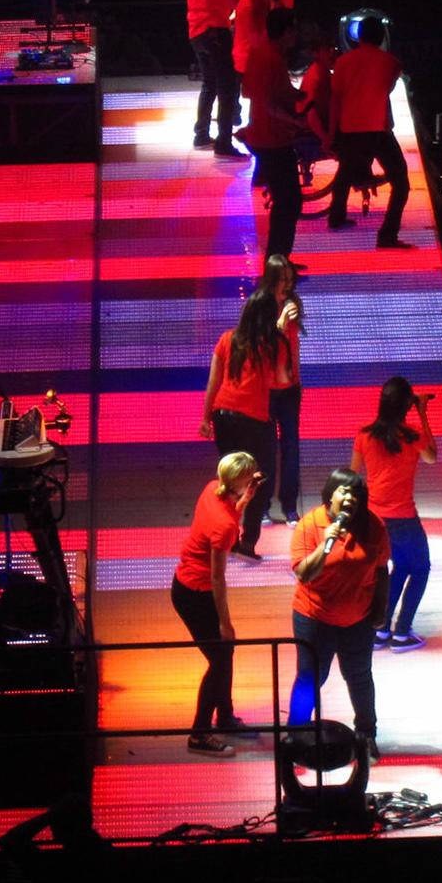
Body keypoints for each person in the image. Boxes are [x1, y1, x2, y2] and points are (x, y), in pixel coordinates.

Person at [288, 468, 389, 758]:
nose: (349, 498)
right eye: (343, 491)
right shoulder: (311, 525)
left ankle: (366, 734)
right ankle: (295, 738)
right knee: (309, 679)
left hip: (358, 620)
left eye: (356, 493)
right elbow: (304, 574)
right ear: (330, 494)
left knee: (359, 676)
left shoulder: (373, 525)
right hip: (314, 618)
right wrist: (326, 543)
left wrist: (380, 610)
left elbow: (382, 570)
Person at [172, 451, 263, 755]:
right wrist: (226, 623)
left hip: (188, 587)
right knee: (220, 661)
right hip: (195, 594)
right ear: (239, 480)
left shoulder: (213, 488)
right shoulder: (224, 526)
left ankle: (224, 717)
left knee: (224, 655)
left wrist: (245, 499)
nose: (254, 477)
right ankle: (199, 735)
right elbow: (217, 579)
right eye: (250, 476)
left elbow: (229, 513)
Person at [200, 288, 292, 559]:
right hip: (254, 420)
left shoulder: (228, 339)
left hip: (223, 417)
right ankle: (247, 542)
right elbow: (282, 381)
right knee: (257, 480)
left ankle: (219, 535)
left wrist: (206, 417)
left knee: (229, 480)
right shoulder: (273, 344)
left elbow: (213, 381)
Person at [350, 376, 437, 650]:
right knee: (420, 568)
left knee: (398, 567)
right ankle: (401, 632)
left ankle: (382, 630)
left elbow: (353, 477)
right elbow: (432, 456)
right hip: (403, 518)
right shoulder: (413, 436)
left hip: (375, 518)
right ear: (406, 405)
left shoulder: (364, 434)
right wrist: (422, 413)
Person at [326, 15, 413, 247]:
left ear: (358, 36)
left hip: (350, 128)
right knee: (401, 183)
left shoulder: (343, 62)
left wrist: (330, 133)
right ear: (381, 36)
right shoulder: (392, 63)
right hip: (378, 129)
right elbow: (387, 88)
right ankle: (387, 235)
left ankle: (336, 218)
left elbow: (336, 99)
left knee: (344, 174)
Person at [240, 6, 305, 260]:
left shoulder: (260, 53)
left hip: (262, 135)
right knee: (289, 203)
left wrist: (294, 95)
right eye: (294, 29)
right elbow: (268, 102)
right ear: (288, 31)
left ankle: (278, 260)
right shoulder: (272, 58)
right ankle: (277, 263)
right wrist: (295, 119)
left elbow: (248, 91)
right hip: (273, 139)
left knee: (285, 202)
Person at [183, 0, 244, 157]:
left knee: (209, 83)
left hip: (196, 31)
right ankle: (224, 143)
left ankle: (201, 134)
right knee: (227, 87)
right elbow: (231, 2)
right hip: (216, 31)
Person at [260, 256, 304, 527]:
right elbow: (260, 346)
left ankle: (289, 505)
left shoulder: (293, 304)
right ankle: (261, 505)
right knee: (265, 449)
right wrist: (280, 322)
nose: (288, 285)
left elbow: (294, 345)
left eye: (291, 279)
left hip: (290, 389)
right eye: (283, 279)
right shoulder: (261, 307)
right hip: (265, 389)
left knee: (291, 447)